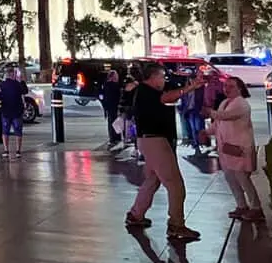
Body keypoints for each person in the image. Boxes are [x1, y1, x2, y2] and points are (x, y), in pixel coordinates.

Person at [126, 63, 205, 241]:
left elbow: (167, 95)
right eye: (161, 76)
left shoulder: (145, 91)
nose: (164, 80)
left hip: (150, 140)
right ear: (153, 77)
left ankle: (136, 215)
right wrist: (190, 87)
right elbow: (166, 98)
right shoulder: (146, 91)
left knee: (153, 180)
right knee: (175, 184)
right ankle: (176, 225)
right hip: (155, 140)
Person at [203, 76, 263, 222]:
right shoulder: (224, 102)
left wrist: (210, 112)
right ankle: (241, 205)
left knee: (243, 178)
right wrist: (206, 132)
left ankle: (256, 208)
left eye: (231, 86)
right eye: (226, 86)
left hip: (240, 147)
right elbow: (218, 122)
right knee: (230, 178)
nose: (227, 89)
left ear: (240, 88)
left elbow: (225, 116)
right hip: (226, 148)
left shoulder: (241, 104)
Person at [0, 67, 27, 158]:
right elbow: (25, 91)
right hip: (17, 111)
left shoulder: (2, 84)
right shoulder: (17, 84)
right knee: (18, 131)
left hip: (6, 111)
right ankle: (18, 151)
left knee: (5, 131)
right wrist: (22, 80)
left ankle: (6, 150)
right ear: (13, 74)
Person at [102, 70, 122, 148]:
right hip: (113, 106)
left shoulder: (106, 85)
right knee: (114, 122)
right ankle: (115, 138)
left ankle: (114, 138)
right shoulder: (113, 85)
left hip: (110, 106)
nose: (117, 77)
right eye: (116, 76)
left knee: (112, 122)